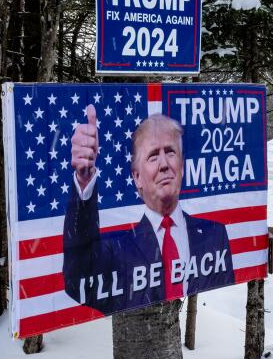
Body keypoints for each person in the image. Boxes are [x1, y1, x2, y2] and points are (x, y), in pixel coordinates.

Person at [62, 104, 234, 315]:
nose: (164, 164)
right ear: (137, 177)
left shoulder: (214, 235)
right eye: (153, 156)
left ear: (181, 166)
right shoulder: (118, 250)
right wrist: (83, 180)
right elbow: (78, 281)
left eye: (170, 152)